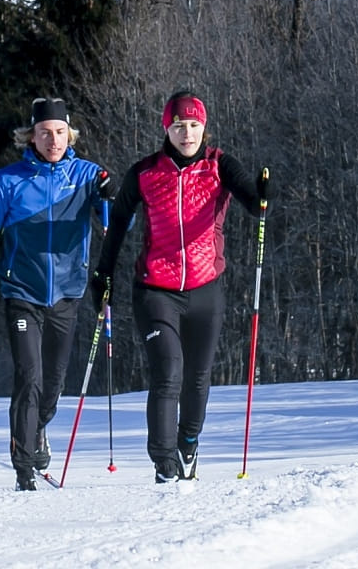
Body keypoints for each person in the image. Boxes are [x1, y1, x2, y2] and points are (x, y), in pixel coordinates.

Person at [89, 90, 265, 483]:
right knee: (168, 372)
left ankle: (189, 442)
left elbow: (252, 200)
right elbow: (117, 222)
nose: (187, 133)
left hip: (205, 288)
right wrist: (104, 274)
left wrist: (263, 197)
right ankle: (164, 464)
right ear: (166, 127)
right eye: (179, 125)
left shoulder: (220, 166)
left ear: (204, 127)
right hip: (155, 289)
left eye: (194, 125)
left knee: (198, 376)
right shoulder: (146, 172)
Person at [0, 97, 109, 491]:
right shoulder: (8, 181)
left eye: (60, 132)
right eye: (45, 133)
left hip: (66, 294)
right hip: (22, 292)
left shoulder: (86, 175)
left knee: (53, 384)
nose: (53, 140)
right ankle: (23, 470)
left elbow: (112, 221)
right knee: (29, 376)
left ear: (69, 133)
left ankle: (40, 428)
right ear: (31, 136)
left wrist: (108, 196)